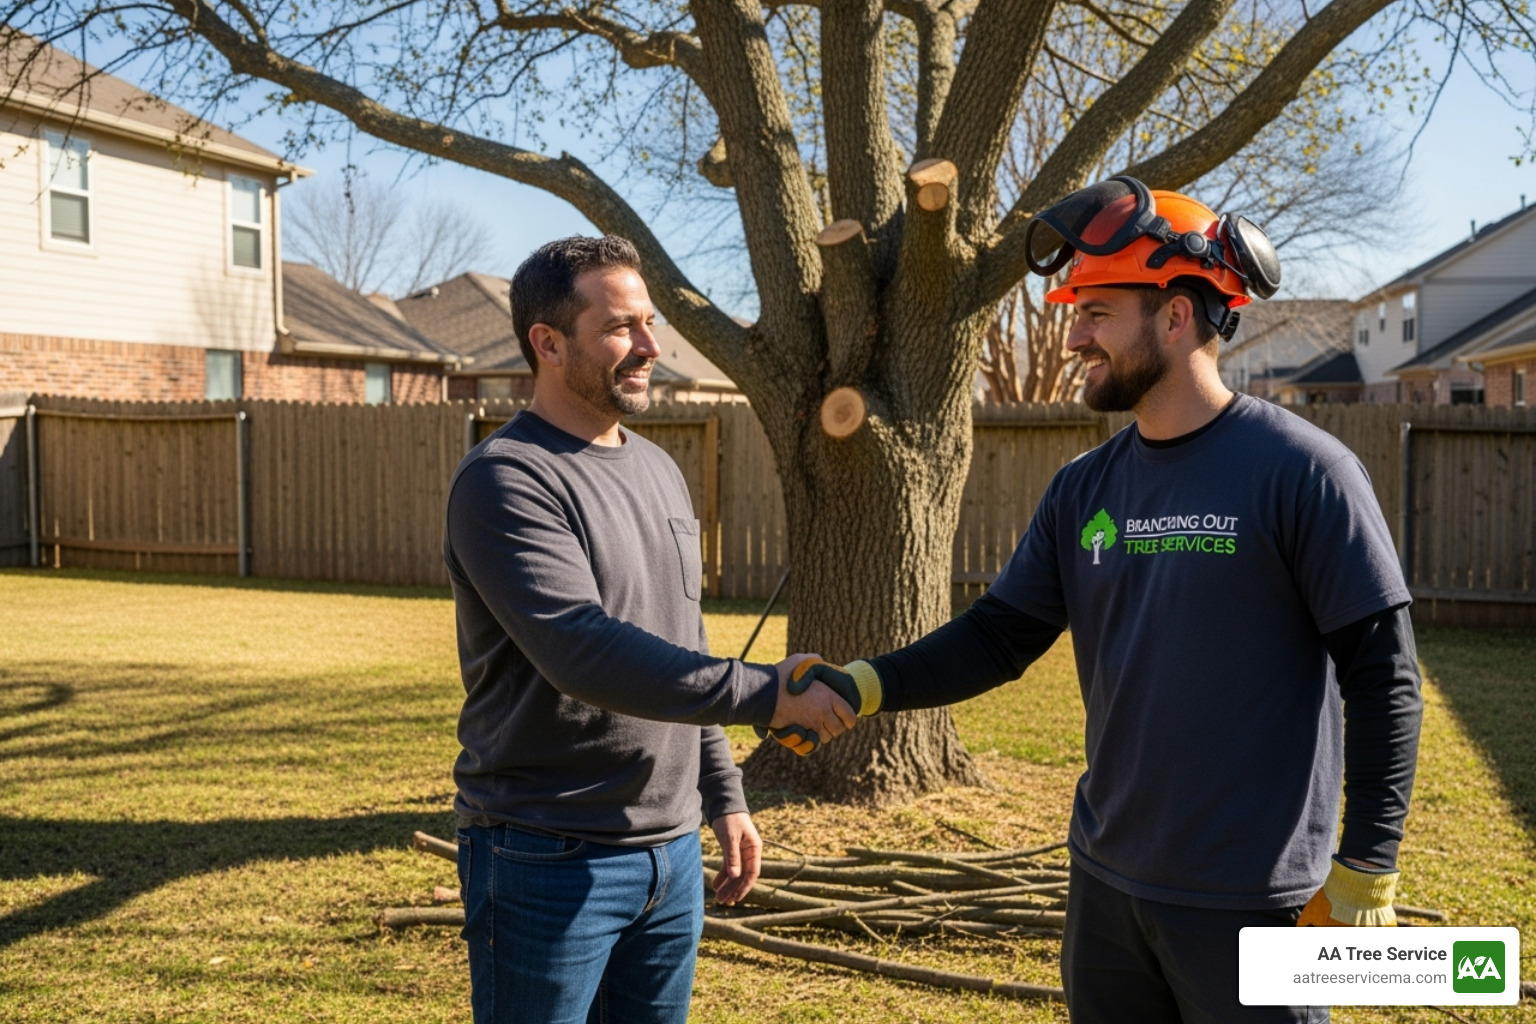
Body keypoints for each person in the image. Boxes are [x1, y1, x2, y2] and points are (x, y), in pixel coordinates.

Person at [795, 179, 1423, 1023]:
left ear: (1174, 316)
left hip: (1258, 898)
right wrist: (861, 684)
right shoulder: (1083, 487)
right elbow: (999, 637)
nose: (1074, 338)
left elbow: (1383, 673)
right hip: (1106, 886)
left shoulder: (1304, 473)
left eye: (1095, 313)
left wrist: (1370, 860)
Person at [443, 235, 854, 1024]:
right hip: (544, 852)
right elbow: (583, 652)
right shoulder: (507, 479)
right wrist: (768, 694)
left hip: (670, 852)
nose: (651, 347)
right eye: (622, 328)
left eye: (651, 323)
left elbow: (682, 641)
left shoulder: (660, 469)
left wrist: (723, 793)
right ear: (549, 343)